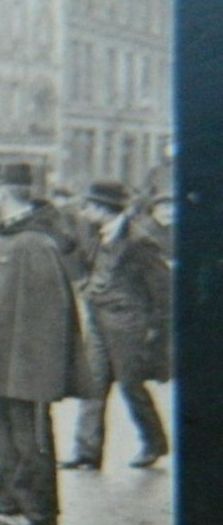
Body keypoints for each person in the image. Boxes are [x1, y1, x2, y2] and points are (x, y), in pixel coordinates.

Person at [0, 162, 91, 525]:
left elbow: (51, 315)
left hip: (28, 368)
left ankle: (37, 512)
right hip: (5, 364)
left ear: (3, 193)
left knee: (28, 437)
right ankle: (6, 505)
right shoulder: (10, 236)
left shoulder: (34, 242)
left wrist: (38, 375)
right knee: (3, 435)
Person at [60, 180, 171, 471]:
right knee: (92, 383)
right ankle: (87, 452)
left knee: (131, 385)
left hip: (128, 324)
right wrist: (88, 289)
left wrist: (154, 330)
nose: (84, 212)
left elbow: (162, 290)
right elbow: (88, 267)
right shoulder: (100, 235)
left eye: (89, 207)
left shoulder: (139, 241)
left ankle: (154, 442)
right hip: (98, 320)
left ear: (103, 209)